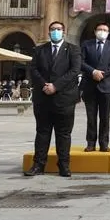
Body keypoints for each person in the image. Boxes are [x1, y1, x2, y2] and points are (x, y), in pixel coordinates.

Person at [25, 21, 81, 178]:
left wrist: (56, 86)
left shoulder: (73, 50)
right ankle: (38, 165)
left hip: (64, 98)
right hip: (43, 97)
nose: (55, 31)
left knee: (63, 134)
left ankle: (64, 165)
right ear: (49, 32)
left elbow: (74, 70)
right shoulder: (39, 50)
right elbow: (33, 69)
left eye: (58, 29)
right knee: (42, 132)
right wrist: (45, 85)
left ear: (64, 32)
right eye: (53, 29)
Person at [80, 21, 110, 152]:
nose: (102, 31)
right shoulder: (87, 44)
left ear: (108, 33)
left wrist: (103, 74)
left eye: (104, 29)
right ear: (95, 31)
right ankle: (90, 143)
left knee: (105, 117)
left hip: (106, 85)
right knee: (91, 117)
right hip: (89, 85)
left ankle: (104, 143)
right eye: (99, 29)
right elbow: (80, 61)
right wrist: (93, 71)